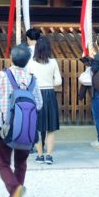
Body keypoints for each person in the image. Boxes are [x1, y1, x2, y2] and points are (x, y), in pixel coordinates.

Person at [0, 43, 43, 197]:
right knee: (21, 163)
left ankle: (14, 189)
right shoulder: (33, 79)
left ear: (11, 58)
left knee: (2, 162)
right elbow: (38, 104)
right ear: (27, 61)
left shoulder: (2, 76)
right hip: (26, 129)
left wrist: (2, 111)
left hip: (6, 127)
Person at [27, 35, 61, 164]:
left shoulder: (30, 63)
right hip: (49, 94)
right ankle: (49, 156)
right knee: (51, 127)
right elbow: (58, 81)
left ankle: (40, 155)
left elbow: (27, 80)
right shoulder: (53, 62)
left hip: (35, 94)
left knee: (35, 126)